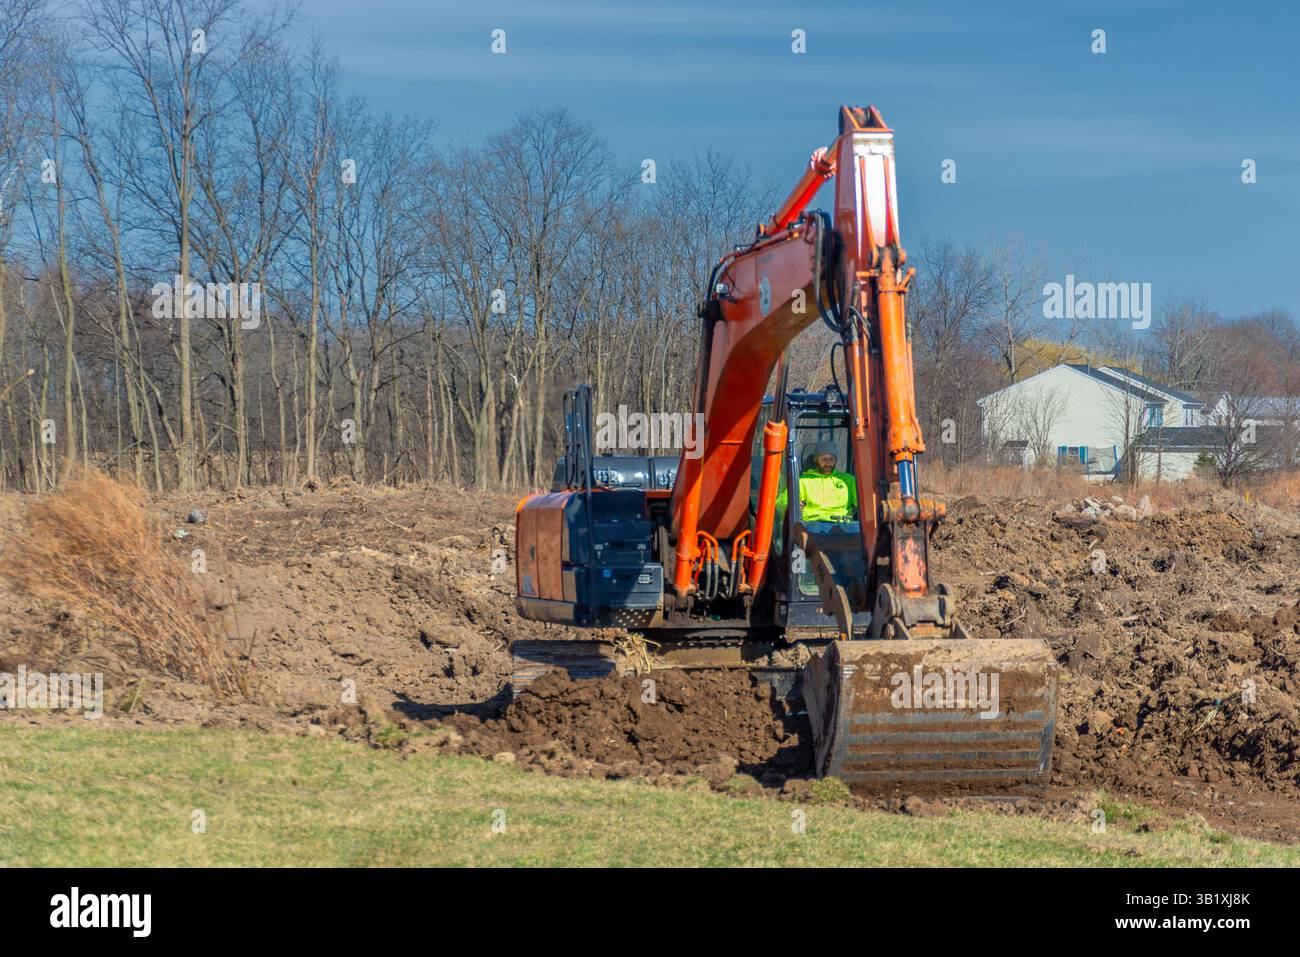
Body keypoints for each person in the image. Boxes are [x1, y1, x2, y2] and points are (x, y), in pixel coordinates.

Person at [776, 442, 857, 523]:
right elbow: (782, 501)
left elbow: (863, 501)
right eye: (824, 459)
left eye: (831, 459)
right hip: (812, 525)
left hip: (844, 525)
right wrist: (790, 504)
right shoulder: (803, 481)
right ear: (816, 460)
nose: (828, 463)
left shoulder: (848, 480)